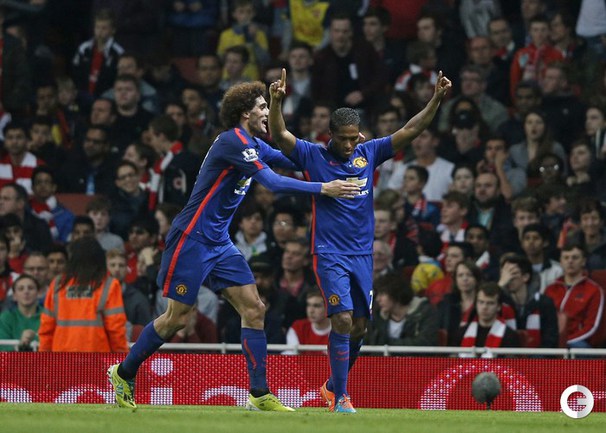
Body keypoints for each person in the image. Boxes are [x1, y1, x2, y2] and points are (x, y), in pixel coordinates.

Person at [107, 80, 359, 412]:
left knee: (254, 309)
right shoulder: (232, 141)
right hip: (192, 239)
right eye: (262, 107)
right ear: (244, 113)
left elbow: (296, 158)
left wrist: (339, 149)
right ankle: (124, 372)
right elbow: (272, 182)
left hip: (219, 242)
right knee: (176, 318)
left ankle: (259, 393)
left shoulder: (253, 143)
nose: (266, 113)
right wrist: (324, 188)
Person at [269, 67, 451, 412]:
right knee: (342, 318)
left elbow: (411, 130)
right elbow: (280, 135)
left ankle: (331, 386)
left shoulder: (368, 154)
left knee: (360, 326)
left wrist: (436, 99)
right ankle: (341, 397)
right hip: (329, 253)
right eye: (344, 138)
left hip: (362, 256)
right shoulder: (313, 156)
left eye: (354, 137)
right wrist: (277, 102)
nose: (350, 144)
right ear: (331, 135)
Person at [39, 237, 128, 352]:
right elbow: (116, 329)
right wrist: (122, 357)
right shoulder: (109, 284)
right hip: (97, 357)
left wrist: (44, 356)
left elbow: (46, 327)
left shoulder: (58, 284)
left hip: (61, 357)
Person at [283, 289, 331, 355]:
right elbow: (291, 355)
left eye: (316, 306)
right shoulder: (298, 328)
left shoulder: (339, 331)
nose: (311, 311)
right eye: (308, 305)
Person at [0, 275, 41, 351]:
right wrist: (19, 346)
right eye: (21, 289)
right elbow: (2, 349)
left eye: (30, 288)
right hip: (13, 359)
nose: (26, 292)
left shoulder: (48, 317)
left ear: (38, 293)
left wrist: (34, 338)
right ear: (14, 296)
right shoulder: (5, 318)